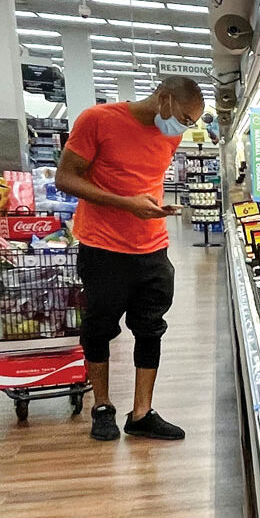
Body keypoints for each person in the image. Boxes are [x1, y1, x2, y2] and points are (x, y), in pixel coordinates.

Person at [54, 76, 205, 442]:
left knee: (151, 327)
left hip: (152, 246)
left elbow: (145, 179)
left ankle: (141, 413)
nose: (185, 127)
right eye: (185, 118)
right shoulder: (97, 120)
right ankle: (102, 407)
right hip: (104, 246)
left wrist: (153, 206)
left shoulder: (171, 135)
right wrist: (126, 205)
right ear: (164, 98)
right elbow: (65, 178)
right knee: (100, 327)